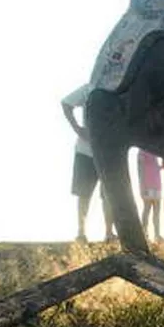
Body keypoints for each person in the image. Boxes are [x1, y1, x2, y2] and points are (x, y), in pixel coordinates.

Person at [61, 84, 115, 242]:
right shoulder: (89, 88)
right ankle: (81, 232)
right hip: (86, 150)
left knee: (109, 194)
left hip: (109, 151)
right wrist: (77, 128)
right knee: (84, 194)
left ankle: (109, 232)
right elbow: (66, 103)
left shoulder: (117, 88)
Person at [137, 149, 164, 241]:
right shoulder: (141, 151)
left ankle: (157, 235)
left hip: (157, 184)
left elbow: (154, 166)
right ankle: (144, 234)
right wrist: (142, 186)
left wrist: (162, 166)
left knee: (157, 211)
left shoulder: (154, 150)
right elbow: (140, 170)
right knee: (147, 209)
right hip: (147, 185)